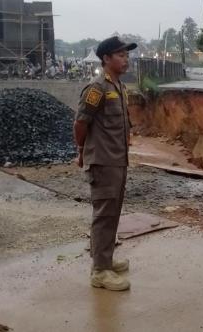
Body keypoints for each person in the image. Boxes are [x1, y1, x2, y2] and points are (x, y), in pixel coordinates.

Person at [73, 36, 136, 291]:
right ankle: (99, 271)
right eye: (120, 55)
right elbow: (80, 123)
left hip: (118, 161)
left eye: (127, 55)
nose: (126, 59)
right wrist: (82, 151)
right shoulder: (97, 88)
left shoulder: (119, 86)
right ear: (106, 59)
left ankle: (106, 260)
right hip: (102, 161)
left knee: (113, 214)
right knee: (103, 216)